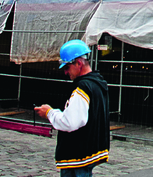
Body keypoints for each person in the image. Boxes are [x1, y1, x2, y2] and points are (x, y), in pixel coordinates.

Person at [35, 40, 110, 176]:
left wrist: (49, 113)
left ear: (79, 64)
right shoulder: (97, 84)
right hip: (87, 154)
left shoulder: (83, 87)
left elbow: (70, 122)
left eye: (67, 67)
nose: (65, 72)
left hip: (77, 157)